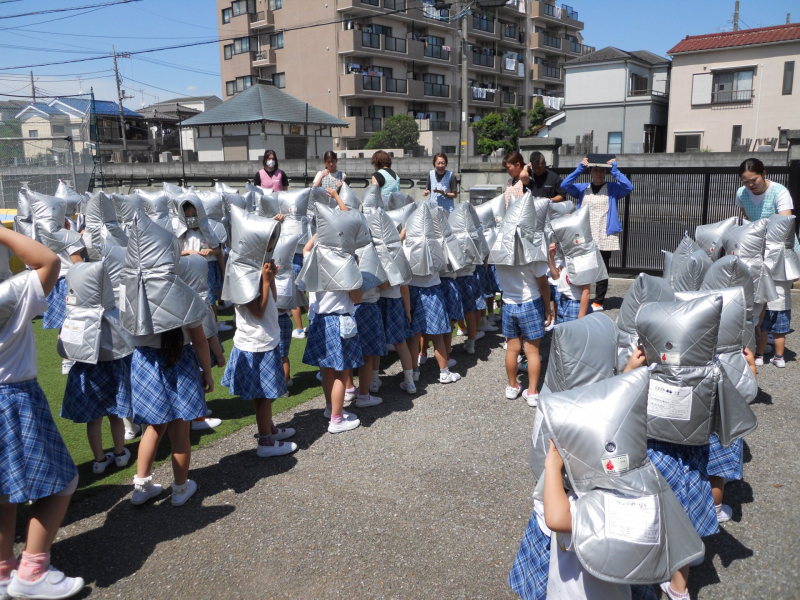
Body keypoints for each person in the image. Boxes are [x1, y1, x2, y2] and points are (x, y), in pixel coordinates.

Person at [0, 227, 84, 599]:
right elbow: (48, 260)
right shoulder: (9, 293)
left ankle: (3, 571)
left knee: (3, 494)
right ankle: (33, 570)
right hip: (13, 399)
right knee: (63, 482)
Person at [59, 262, 133, 475]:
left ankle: (99, 460)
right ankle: (120, 454)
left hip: (87, 373)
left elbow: (66, 349)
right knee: (116, 415)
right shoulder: (112, 315)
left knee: (94, 419)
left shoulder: (73, 316)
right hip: (113, 369)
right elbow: (125, 345)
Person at [221, 252, 298, 457]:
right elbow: (258, 311)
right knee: (263, 396)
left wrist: (270, 279)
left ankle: (268, 429)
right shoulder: (241, 281)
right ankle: (265, 441)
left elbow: (272, 298)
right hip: (256, 346)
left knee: (261, 395)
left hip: (263, 341)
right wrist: (265, 280)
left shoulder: (250, 276)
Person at [301, 234, 364, 433]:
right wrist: (355, 268)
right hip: (339, 322)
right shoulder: (346, 265)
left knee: (327, 370)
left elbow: (306, 250)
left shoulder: (314, 261)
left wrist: (320, 231)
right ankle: (336, 420)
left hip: (319, 321)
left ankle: (331, 408)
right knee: (341, 372)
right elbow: (357, 298)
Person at [561, 157, 633, 312]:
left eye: (601, 170)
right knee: (582, 265)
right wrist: (580, 168)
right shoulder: (582, 188)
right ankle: (581, 296)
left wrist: (615, 170)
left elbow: (628, 186)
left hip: (604, 233)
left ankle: (598, 302)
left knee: (602, 268)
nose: (599, 173)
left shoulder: (613, 188)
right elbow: (565, 184)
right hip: (585, 233)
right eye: (595, 170)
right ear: (590, 172)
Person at [496, 253, 550, 406]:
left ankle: (512, 386)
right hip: (531, 303)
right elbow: (543, 285)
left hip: (508, 303)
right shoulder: (532, 253)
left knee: (512, 349)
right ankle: (532, 392)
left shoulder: (499, 253)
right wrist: (548, 309)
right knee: (532, 351)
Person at [736, 157, 794, 221]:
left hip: (776, 230)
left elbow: (785, 222)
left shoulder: (780, 192)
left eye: (754, 180)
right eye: (745, 182)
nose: (751, 184)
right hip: (753, 230)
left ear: (764, 174)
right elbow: (747, 218)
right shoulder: (741, 193)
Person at [547, 243, 591, 323]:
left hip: (575, 303)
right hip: (563, 299)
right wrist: (551, 258)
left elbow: (586, 292)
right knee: (564, 331)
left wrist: (581, 316)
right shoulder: (566, 258)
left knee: (574, 333)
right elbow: (555, 277)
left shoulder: (580, 261)